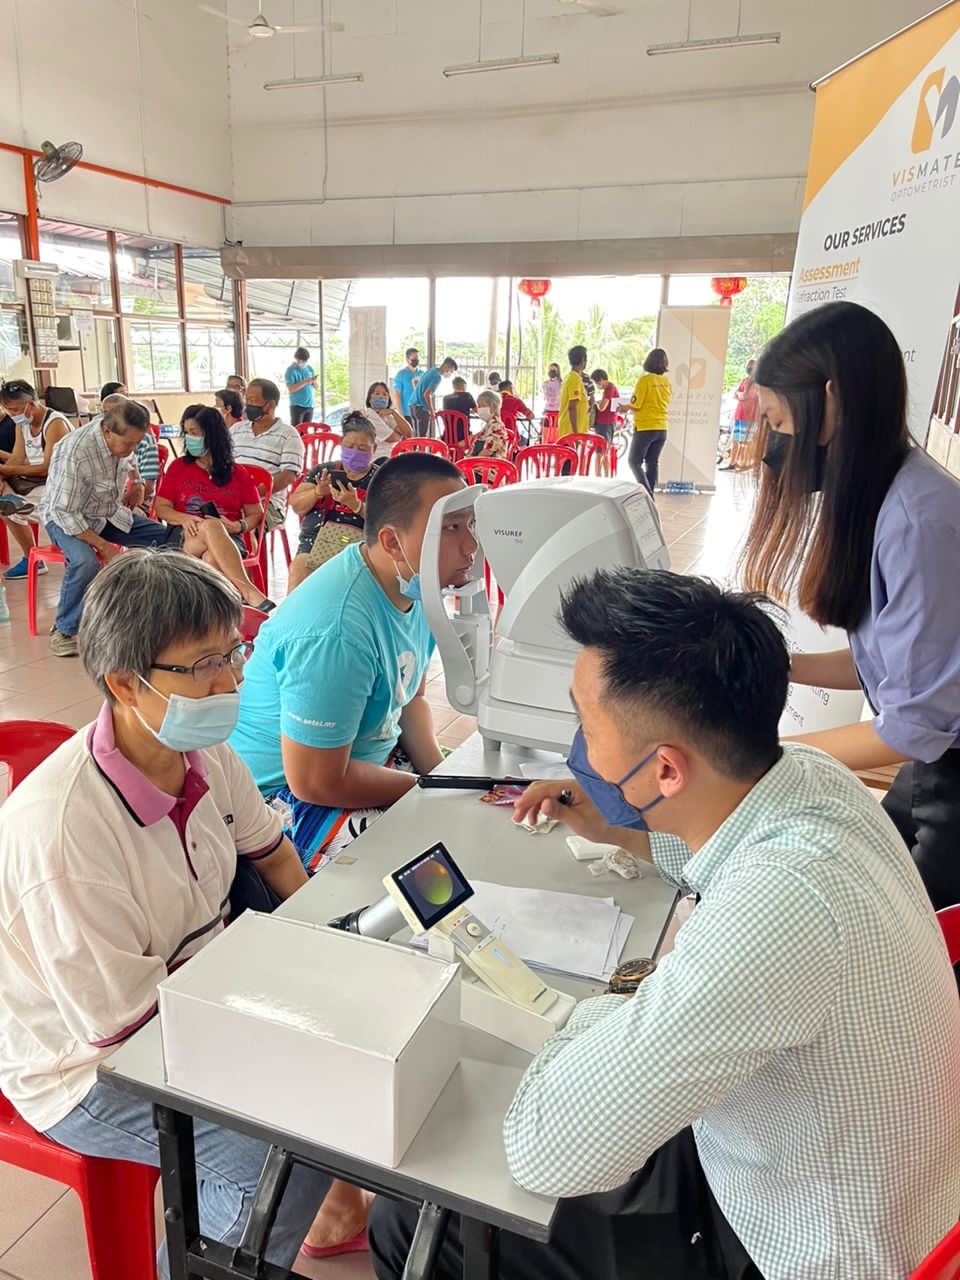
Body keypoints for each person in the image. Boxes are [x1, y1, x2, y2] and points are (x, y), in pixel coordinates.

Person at [370, 567, 960, 1280]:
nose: (579, 748)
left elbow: (545, 1149)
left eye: (588, 727)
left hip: (795, 1244)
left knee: (417, 1222)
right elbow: (724, 841)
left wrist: (622, 992)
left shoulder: (773, 914)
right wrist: (625, 829)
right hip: (850, 1175)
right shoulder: (812, 777)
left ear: (667, 772)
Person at [0, 552, 329, 1277]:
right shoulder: (64, 837)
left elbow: (274, 857)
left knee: (335, 1081)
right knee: (281, 1160)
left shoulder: (204, 753)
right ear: (126, 683)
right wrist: (271, 1017)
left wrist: (321, 954)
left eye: (234, 652)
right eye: (204, 665)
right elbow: (123, 1029)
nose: (231, 682)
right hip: (84, 1066)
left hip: (193, 999)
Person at [740, 300, 960, 911]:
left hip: (949, 772)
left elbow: (915, 723)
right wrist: (782, 666)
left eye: (779, 423)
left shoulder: (918, 522)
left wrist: (756, 763)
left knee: (913, 933)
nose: (774, 446)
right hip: (933, 764)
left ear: (831, 398)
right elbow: (890, 666)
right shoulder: (883, 497)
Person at [229, 452, 478, 871]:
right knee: (440, 865)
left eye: (470, 524)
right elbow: (316, 782)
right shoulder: (337, 631)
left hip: (354, 764)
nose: (470, 545)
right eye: (450, 528)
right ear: (392, 542)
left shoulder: (415, 585)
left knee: (476, 801)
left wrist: (440, 776)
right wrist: (426, 789)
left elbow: (410, 700)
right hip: (281, 796)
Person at [37, 401, 184, 658]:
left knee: (170, 538)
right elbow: (64, 513)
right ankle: (63, 629)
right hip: (64, 518)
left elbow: (130, 460)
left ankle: (168, 613)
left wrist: (137, 482)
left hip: (107, 513)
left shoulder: (122, 439)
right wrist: (104, 547)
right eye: (128, 444)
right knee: (85, 562)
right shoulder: (76, 451)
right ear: (107, 432)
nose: (132, 449)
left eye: (136, 443)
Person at [154, 405, 274, 611]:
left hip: (228, 538)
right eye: (186, 432)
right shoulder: (179, 467)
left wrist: (237, 526)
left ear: (212, 435)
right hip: (185, 536)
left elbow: (255, 514)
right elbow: (161, 508)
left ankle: (216, 613)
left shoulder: (237, 473)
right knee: (211, 525)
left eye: (194, 433)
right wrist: (185, 519)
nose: (189, 438)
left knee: (211, 558)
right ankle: (248, 592)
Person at [287, 412, 384, 591]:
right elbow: (297, 506)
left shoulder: (381, 478)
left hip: (361, 547)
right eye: (350, 446)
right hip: (316, 543)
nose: (355, 452)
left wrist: (357, 506)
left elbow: (387, 520)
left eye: (362, 448)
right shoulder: (323, 471)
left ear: (374, 448)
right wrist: (317, 492)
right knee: (299, 570)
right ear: (341, 444)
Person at [0, 378, 72, 580]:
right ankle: (31, 558)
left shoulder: (55, 424)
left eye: (15, 410)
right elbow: (16, 458)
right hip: (36, 483)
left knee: (7, 505)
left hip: (61, 487)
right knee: (4, 504)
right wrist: (3, 473)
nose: (12, 415)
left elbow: (47, 468)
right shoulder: (22, 424)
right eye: (8, 410)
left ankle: (62, 551)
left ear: (31, 404)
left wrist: (6, 469)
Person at [229, 378, 304, 534]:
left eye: (252, 400)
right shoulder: (236, 430)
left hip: (268, 505)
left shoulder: (289, 435)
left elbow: (289, 476)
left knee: (240, 527)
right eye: (246, 399)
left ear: (269, 405)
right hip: (231, 498)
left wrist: (251, 496)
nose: (247, 404)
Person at [627, 349, 672, 493]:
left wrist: (623, 407)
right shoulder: (666, 382)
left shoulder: (645, 381)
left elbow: (636, 405)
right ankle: (650, 494)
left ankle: (647, 495)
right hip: (662, 428)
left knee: (634, 462)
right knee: (652, 463)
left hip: (645, 427)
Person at [722, 360, 759, 472]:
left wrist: (740, 394)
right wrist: (739, 394)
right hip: (740, 415)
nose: (749, 369)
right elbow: (736, 394)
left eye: (751, 367)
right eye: (748, 366)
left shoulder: (758, 383)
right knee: (735, 440)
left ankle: (744, 464)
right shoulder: (744, 381)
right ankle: (732, 463)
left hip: (751, 417)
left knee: (748, 442)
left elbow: (746, 395)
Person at [363, 381, 413, 460]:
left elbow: (408, 433)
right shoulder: (370, 414)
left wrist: (394, 413)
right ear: (369, 399)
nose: (381, 397)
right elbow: (392, 438)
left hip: (391, 458)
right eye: (377, 394)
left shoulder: (388, 415)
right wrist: (399, 435)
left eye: (385, 394)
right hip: (377, 460)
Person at [409, 356, 457, 437]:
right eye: (451, 371)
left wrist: (418, 395)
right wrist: (431, 412)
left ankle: (416, 446)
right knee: (422, 437)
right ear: (447, 366)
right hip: (421, 408)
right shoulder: (437, 377)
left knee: (416, 436)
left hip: (412, 405)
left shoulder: (431, 370)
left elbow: (416, 382)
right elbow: (426, 395)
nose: (450, 373)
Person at [558, 345, 589, 438]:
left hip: (571, 430)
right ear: (583, 360)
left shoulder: (570, 377)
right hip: (571, 432)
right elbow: (572, 407)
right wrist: (575, 434)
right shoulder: (574, 378)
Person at [284, 346, 317, 427]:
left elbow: (316, 387)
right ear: (296, 358)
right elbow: (291, 389)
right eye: (301, 360)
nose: (303, 362)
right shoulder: (290, 370)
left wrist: (313, 382)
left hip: (310, 405)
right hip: (297, 406)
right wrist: (305, 381)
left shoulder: (309, 368)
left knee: (307, 431)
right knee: (297, 431)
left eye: (305, 360)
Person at [470, 389, 509, 458]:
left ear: (493, 407)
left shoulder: (496, 426)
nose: (478, 409)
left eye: (481, 406)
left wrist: (472, 461)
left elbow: (487, 451)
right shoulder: (489, 424)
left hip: (490, 463)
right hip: (482, 461)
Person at [592, 368, 621, 445]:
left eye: (596, 382)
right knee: (602, 447)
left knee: (602, 448)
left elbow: (602, 407)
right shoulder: (608, 389)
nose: (596, 384)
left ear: (601, 379)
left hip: (605, 423)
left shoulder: (609, 388)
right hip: (604, 423)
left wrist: (595, 403)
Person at [391, 348, 421, 422]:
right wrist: (400, 414)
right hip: (407, 413)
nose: (416, 360)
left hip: (420, 412)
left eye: (417, 358)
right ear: (407, 360)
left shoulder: (422, 373)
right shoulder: (401, 374)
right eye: (414, 358)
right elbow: (396, 395)